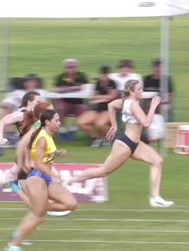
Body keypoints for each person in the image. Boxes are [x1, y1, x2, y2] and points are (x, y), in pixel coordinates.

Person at [64, 80, 173, 208]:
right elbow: (146, 123)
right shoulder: (132, 104)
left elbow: (111, 105)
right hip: (125, 144)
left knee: (157, 161)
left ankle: (155, 198)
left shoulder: (125, 102)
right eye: (138, 89)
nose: (141, 91)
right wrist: (154, 106)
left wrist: (114, 126)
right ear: (132, 92)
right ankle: (69, 181)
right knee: (103, 171)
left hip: (135, 144)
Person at [5, 108, 79, 251]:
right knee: (38, 217)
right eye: (56, 120)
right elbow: (38, 163)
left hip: (45, 178)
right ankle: (12, 245)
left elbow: (44, 154)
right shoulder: (43, 138)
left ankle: (41, 206)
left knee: (71, 203)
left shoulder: (48, 135)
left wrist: (57, 153)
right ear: (47, 122)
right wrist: (53, 175)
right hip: (37, 178)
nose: (59, 123)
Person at [0, 98, 50, 215]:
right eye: (37, 101)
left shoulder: (37, 118)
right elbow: (3, 123)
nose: (40, 103)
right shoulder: (21, 115)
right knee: (15, 178)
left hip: (32, 153)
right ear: (30, 102)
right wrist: (0, 138)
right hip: (26, 154)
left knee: (10, 179)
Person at [76, 65, 117, 147]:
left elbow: (112, 96)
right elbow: (93, 96)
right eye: (102, 74)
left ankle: (108, 137)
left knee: (100, 124)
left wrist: (99, 98)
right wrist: (104, 98)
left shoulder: (112, 83)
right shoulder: (97, 83)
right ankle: (95, 136)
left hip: (107, 109)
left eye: (106, 74)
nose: (104, 76)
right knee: (80, 122)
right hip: (96, 109)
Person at [52, 58, 90, 126]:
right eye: (68, 67)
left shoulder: (82, 76)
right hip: (64, 102)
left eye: (72, 67)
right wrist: (76, 88)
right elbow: (55, 89)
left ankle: (74, 128)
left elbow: (86, 88)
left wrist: (66, 88)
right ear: (64, 68)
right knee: (59, 107)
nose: (70, 70)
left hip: (78, 102)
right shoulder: (60, 77)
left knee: (83, 108)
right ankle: (62, 130)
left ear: (76, 68)